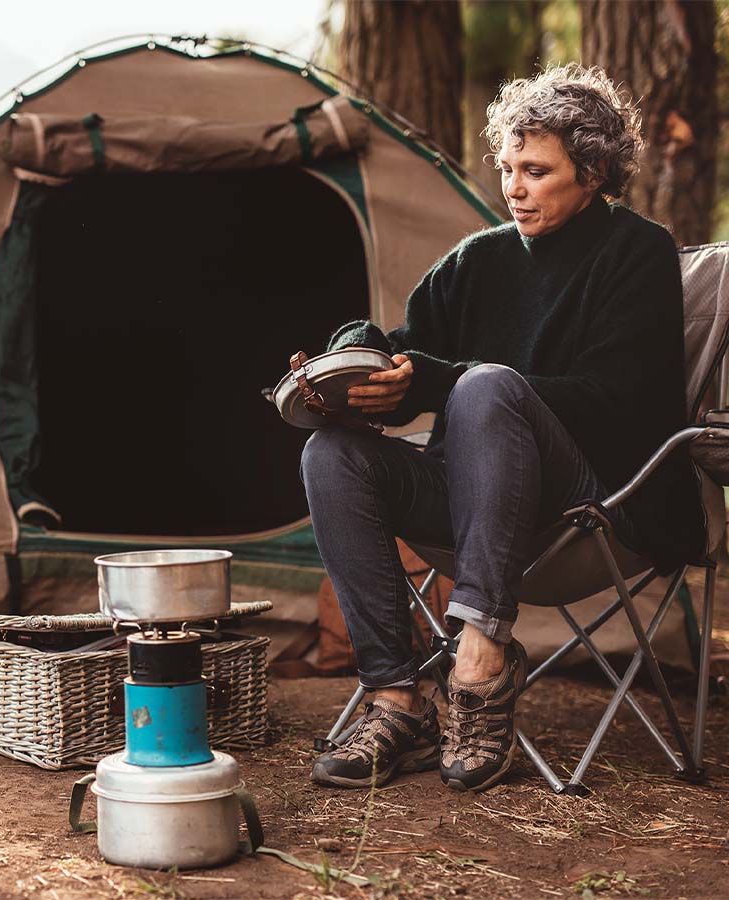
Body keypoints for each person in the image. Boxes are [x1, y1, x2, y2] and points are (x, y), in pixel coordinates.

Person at [300, 64, 703, 793]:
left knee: (486, 386)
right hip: (468, 504)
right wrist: (352, 362)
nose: (514, 188)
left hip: (592, 509)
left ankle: (480, 660)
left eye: (538, 171)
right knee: (330, 453)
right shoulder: (478, 260)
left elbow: (616, 401)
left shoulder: (636, 253)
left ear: (593, 171)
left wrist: (440, 378)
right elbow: (399, 345)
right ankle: (397, 703)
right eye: (509, 168)